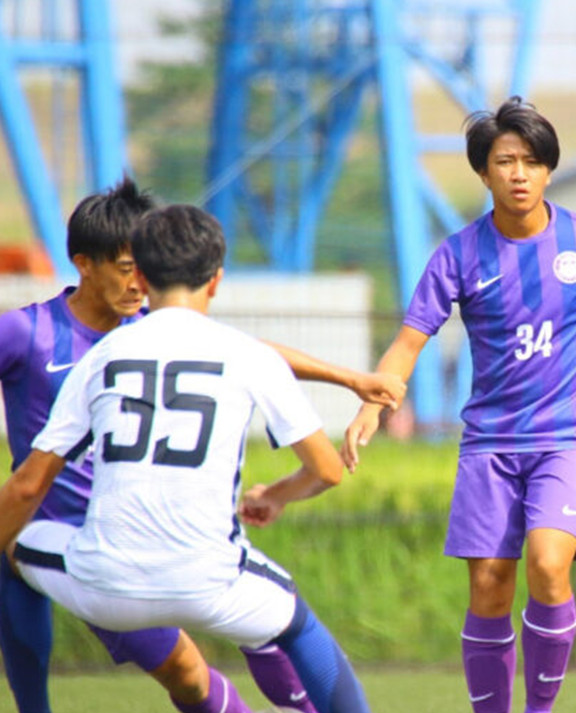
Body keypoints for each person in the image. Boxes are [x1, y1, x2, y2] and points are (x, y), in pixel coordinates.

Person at [0, 182, 401, 713]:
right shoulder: (30, 333)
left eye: (136, 267)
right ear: (84, 264)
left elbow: (27, 483)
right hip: (116, 545)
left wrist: (349, 378)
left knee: (189, 675)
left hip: (109, 560)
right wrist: (281, 490)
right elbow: (262, 367)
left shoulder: (121, 346)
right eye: (123, 266)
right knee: (273, 627)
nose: (134, 282)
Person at [342, 96, 576, 713]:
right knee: (488, 584)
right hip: (489, 444)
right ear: (483, 172)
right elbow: (409, 341)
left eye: (532, 161)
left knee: (549, 565)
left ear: (549, 169)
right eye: (505, 161)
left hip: (565, 438)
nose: (518, 173)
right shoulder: (457, 255)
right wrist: (374, 400)